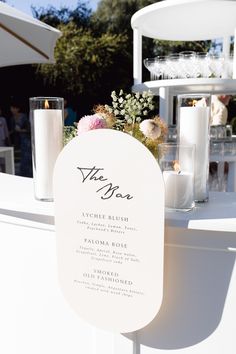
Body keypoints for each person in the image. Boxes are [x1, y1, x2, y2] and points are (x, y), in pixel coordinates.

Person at [10, 101, 32, 177]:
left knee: (26, 158)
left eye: (14, 108)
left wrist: (20, 130)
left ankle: (28, 175)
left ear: (18, 109)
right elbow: (13, 130)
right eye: (11, 108)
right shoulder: (12, 118)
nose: (12, 109)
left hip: (26, 140)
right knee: (22, 158)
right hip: (18, 140)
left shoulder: (23, 116)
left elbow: (29, 129)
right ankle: (23, 175)